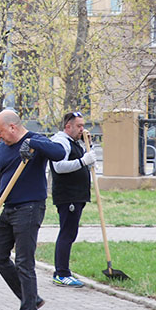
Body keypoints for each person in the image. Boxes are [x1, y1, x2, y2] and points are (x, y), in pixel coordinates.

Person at [0, 109, 67, 310]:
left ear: (13, 127)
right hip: (8, 208)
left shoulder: (36, 141)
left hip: (29, 208)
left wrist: (34, 144)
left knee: (24, 261)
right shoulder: (3, 147)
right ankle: (30, 298)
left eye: (1, 132)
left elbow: (59, 153)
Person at [49, 111, 98, 287]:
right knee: (67, 233)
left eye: (83, 125)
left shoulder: (74, 142)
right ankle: (61, 273)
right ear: (67, 126)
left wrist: (88, 155)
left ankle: (63, 271)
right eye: (79, 126)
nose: (82, 129)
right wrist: (83, 161)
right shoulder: (60, 142)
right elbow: (59, 166)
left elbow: (82, 162)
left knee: (71, 232)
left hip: (77, 195)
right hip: (67, 195)